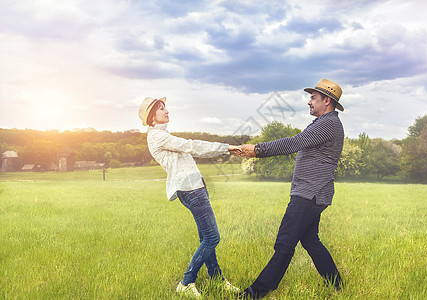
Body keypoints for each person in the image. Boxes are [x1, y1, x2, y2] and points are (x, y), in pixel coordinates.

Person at [238, 79, 345, 299]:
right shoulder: (325, 123)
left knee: (284, 244)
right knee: (310, 240)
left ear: (327, 100)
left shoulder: (329, 124)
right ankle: (337, 285)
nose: (309, 102)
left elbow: (294, 142)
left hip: (309, 193)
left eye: (313, 98)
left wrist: (258, 149)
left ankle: (255, 293)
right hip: (314, 193)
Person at [138, 97, 241, 299]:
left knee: (206, 237)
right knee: (212, 237)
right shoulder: (158, 137)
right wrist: (228, 147)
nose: (167, 111)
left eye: (165, 107)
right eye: (161, 109)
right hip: (191, 190)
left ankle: (217, 279)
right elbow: (193, 146)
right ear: (151, 119)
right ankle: (186, 282)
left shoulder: (162, 135)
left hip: (195, 187)